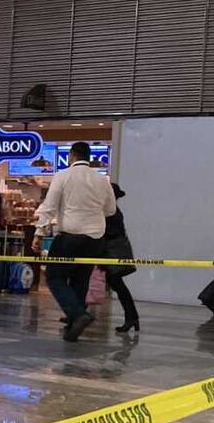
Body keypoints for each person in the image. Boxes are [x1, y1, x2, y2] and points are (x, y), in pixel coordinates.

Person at [32, 142, 116, 342]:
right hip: (95, 239)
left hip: (69, 235)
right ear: (89, 157)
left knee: (54, 276)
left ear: (71, 156)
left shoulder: (62, 176)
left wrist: (39, 233)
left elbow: (49, 207)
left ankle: (78, 315)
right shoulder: (102, 180)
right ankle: (72, 328)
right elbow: (110, 210)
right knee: (81, 279)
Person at [102, 183, 140, 333]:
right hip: (116, 251)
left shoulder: (110, 213)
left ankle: (132, 317)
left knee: (117, 284)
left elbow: (109, 233)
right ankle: (132, 317)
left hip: (113, 252)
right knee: (117, 284)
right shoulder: (114, 211)